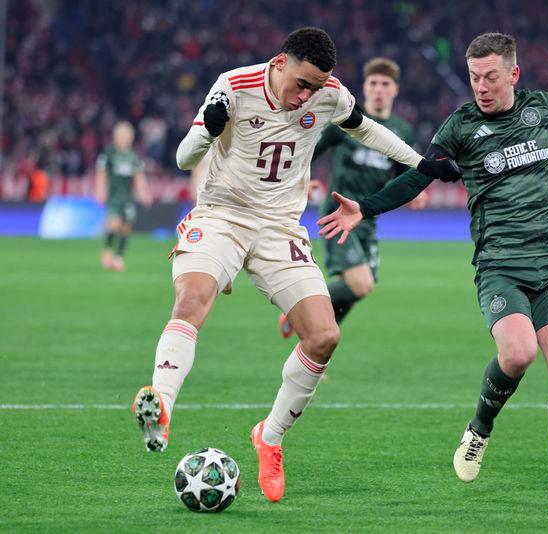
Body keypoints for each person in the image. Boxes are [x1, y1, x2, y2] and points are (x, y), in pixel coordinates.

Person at [318, 32, 548, 512]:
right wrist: (364, 209)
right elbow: (420, 174)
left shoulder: (544, 108)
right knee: (518, 354)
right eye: (475, 77)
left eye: (491, 77)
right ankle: (479, 429)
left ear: (513, 74)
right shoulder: (459, 127)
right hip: (499, 263)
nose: (481, 86)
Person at [131, 27, 458, 504]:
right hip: (222, 215)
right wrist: (209, 129)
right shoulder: (233, 86)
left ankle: (271, 437)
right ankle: (161, 404)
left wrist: (422, 164)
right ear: (280, 62)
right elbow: (184, 158)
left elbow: (365, 127)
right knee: (192, 299)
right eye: (301, 83)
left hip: (280, 228)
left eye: (317, 85)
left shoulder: (327, 94)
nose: (306, 95)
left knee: (325, 335)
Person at [279, 57, 428, 338]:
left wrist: (416, 193)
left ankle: (317, 339)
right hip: (337, 215)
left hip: (367, 219)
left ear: (395, 89)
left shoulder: (401, 130)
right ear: (365, 87)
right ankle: (297, 310)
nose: (379, 89)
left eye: (385, 84)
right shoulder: (347, 122)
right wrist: (303, 179)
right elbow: (307, 152)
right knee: (360, 284)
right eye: (373, 83)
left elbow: (401, 173)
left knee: (360, 287)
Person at [96, 121, 152, 271]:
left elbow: (139, 177)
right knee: (114, 224)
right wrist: (99, 191)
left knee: (126, 227)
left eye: (127, 136)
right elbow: (101, 174)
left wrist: (144, 194)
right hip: (114, 197)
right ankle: (107, 250)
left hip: (127, 198)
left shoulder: (133, 157)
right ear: (116, 137)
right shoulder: (109, 154)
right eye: (122, 135)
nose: (124, 138)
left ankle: (118, 258)